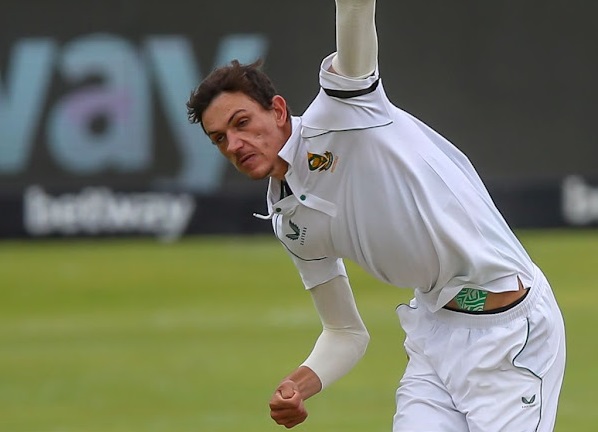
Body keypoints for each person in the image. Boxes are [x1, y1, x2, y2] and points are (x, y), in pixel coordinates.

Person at [186, 0, 566, 430]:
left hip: (511, 332)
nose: (235, 144)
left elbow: (355, 11)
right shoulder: (289, 222)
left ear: (276, 110)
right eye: (220, 139)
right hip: (433, 334)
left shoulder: (345, 108)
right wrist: (299, 385)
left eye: (242, 123)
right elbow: (345, 332)